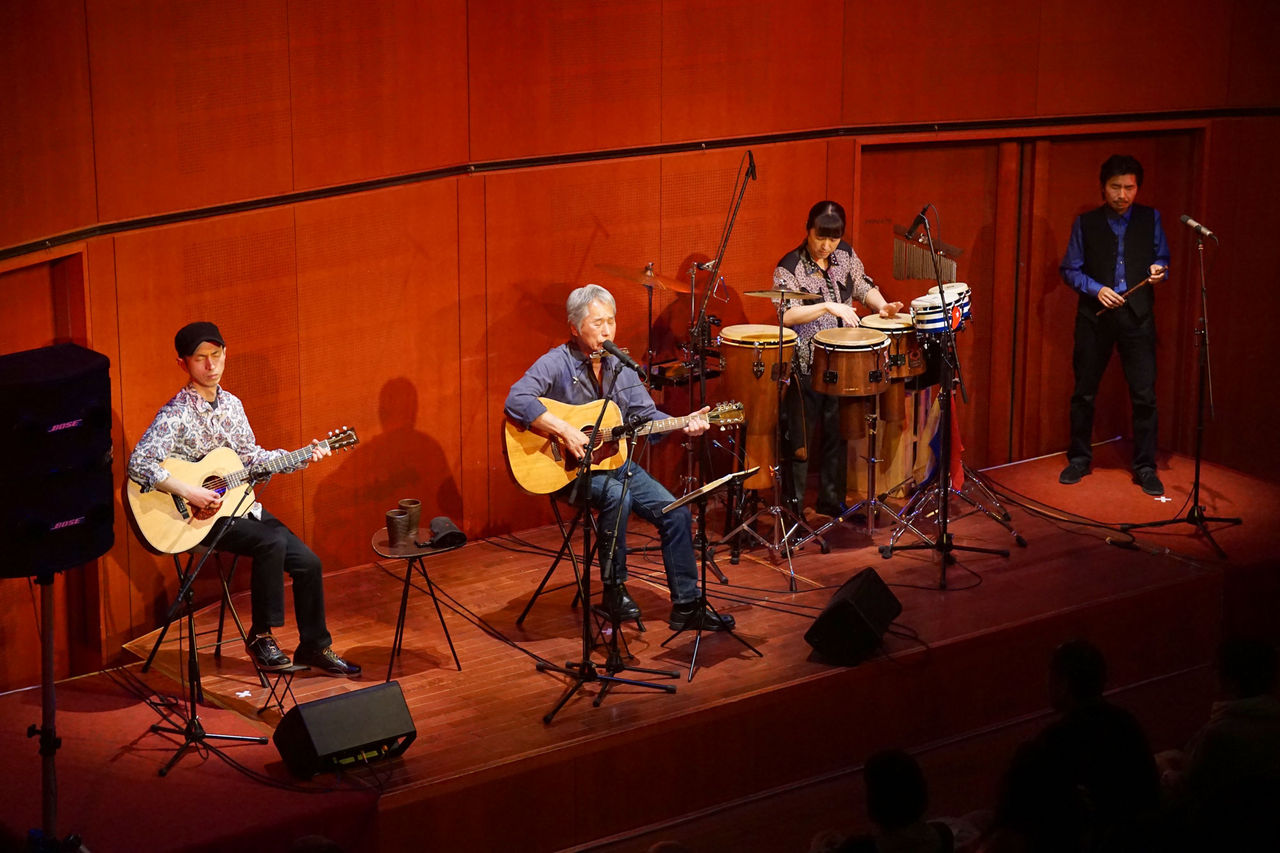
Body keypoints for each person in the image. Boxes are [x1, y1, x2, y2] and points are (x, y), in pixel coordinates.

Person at [127, 322, 361, 677]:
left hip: (241, 506)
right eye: (200, 358)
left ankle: (314, 645)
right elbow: (139, 463)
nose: (211, 365)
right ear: (183, 364)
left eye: (216, 355)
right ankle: (261, 636)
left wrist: (302, 456)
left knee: (308, 562)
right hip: (197, 519)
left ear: (225, 354)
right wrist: (189, 491)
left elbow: (252, 460)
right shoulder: (175, 414)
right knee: (271, 542)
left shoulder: (233, 405)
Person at [504, 284, 734, 631]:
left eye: (611, 321)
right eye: (597, 323)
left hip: (615, 464)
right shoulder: (556, 362)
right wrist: (564, 430)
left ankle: (687, 607)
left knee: (676, 513)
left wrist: (683, 423)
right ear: (574, 327)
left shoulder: (620, 365)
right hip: (569, 472)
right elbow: (517, 399)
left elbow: (646, 416)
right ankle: (613, 590)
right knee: (619, 497)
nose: (607, 330)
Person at [773, 200, 902, 519]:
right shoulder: (789, 266)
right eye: (821, 237)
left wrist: (882, 306)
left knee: (837, 436)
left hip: (843, 364)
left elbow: (862, 285)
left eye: (833, 239)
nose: (826, 246)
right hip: (807, 364)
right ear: (808, 230)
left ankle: (832, 504)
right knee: (800, 444)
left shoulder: (845, 255)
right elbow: (786, 315)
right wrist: (827, 306)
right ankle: (793, 512)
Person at [1059, 155, 1170, 496]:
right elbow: (1070, 269)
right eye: (1116, 187)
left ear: (1137, 188)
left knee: (1144, 395)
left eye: (1129, 188)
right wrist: (1097, 289)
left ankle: (1145, 466)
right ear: (1103, 187)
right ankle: (1079, 459)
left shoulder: (1151, 218)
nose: (1123, 195)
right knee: (1084, 392)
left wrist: (1159, 270)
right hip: (1095, 317)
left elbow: (1162, 258)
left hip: (1138, 317)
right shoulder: (1086, 223)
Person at [988, 639, 1159, 852]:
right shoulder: (1127, 725)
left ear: (1064, 685)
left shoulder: (1051, 744)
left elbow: (1012, 823)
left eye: (1051, 677)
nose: (1046, 683)